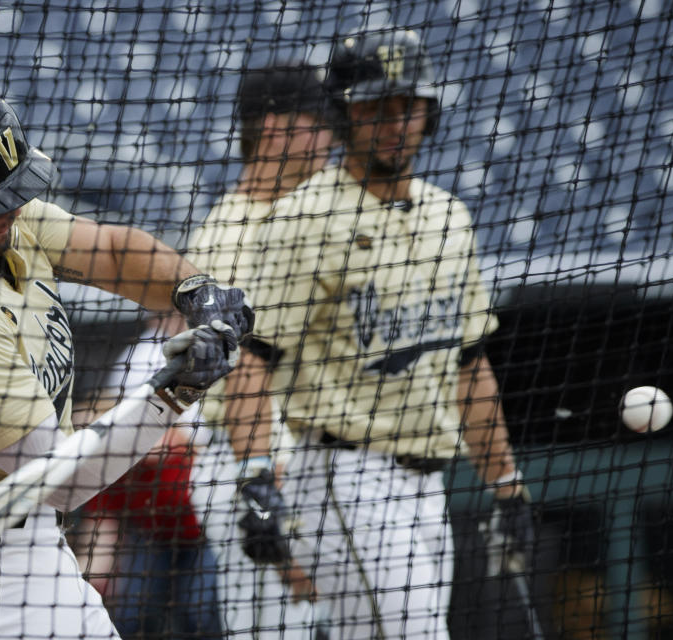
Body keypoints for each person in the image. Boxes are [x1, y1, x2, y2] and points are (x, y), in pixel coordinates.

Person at [0, 78, 252, 639]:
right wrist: (177, 391)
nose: (15, 208)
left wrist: (196, 292)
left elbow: (112, 252)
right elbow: (60, 479)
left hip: (26, 554)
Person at [189, 30, 535, 640]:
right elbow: (250, 366)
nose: (394, 124)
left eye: (408, 105)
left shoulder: (448, 217)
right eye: (373, 109)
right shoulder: (286, 222)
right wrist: (260, 479)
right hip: (321, 466)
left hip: (425, 477)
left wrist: (506, 486)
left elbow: (468, 363)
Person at [187, 62, 339, 638]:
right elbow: (234, 378)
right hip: (253, 467)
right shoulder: (233, 233)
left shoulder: (305, 215)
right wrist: (266, 489)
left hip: (303, 465)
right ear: (274, 129)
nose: (330, 138)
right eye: (318, 124)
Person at [71, 313, 222, 640]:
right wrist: (86, 585)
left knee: (200, 616)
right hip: (153, 537)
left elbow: (181, 440)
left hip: (203, 532)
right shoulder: (111, 469)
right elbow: (102, 525)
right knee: (133, 615)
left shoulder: (183, 458)